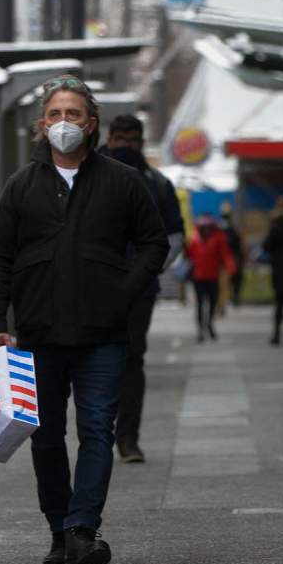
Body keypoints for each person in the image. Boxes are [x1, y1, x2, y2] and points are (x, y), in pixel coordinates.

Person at [0, 74, 168, 564]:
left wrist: (123, 291)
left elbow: (155, 244)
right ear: (42, 126)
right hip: (39, 334)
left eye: (74, 115)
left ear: (92, 125)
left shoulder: (122, 182)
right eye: (55, 115)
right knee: (44, 437)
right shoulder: (22, 186)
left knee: (95, 430)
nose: (64, 123)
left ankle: (82, 529)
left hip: (103, 335)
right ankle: (59, 529)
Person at [97, 114, 184, 464]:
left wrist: (148, 268)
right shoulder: (83, 174)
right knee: (89, 362)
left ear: (142, 141)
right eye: (119, 138)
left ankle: (128, 437)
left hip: (137, 290)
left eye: (132, 140)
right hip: (91, 287)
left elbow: (174, 235)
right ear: (107, 137)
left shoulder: (157, 183)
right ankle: (98, 433)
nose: (125, 146)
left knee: (131, 361)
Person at [186, 214, 235, 343]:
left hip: (213, 276)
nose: (205, 229)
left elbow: (225, 254)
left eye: (208, 227)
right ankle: (200, 330)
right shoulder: (194, 238)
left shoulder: (219, 238)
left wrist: (230, 267)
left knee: (213, 302)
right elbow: (189, 254)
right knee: (200, 304)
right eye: (203, 227)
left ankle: (210, 324)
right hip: (198, 277)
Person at [263, 195, 283, 347]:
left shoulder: (276, 224)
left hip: (280, 270)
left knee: (279, 302)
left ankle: (277, 334)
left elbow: (267, 246)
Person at [219, 202, 245, 309]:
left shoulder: (220, 228)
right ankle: (231, 299)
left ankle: (226, 301)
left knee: (225, 281)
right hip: (230, 258)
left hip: (227, 258)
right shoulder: (233, 229)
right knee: (233, 279)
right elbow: (239, 244)